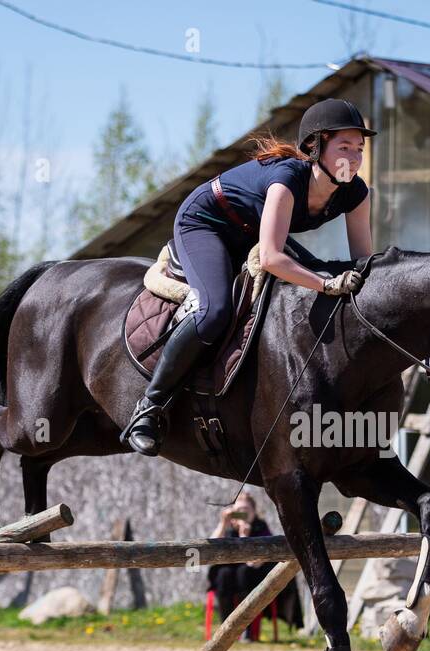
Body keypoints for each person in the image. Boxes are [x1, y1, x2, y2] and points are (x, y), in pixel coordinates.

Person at [124, 98, 378, 456]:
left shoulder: (356, 193)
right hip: (206, 224)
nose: (353, 158)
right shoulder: (287, 180)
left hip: (249, 232)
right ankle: (149, 407)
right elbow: (272, 257)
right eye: (344, 147)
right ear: (315, 147)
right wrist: (324, 283)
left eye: (359, 149)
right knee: (213, 311)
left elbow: (364, 261)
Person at [207, 492, 294, 642]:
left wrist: (244, 537)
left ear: (254, 512)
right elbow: (208, 549)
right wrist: (223, 523)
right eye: (239, 511)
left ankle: (246, 629)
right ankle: (225, 630)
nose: (242, 514)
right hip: (230, 573)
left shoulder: (261, 527)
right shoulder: (229, 527)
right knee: (223, 575)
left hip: (253, 573)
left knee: (244, 573)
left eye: (246, 511)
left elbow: (256, 562)